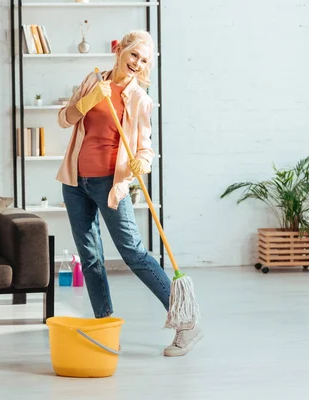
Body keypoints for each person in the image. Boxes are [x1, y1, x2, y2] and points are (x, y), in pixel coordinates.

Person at [56, 30, 202, 357]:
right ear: (120, 51)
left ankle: (187, 322)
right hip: (75, 183)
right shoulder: (93, 80)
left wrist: (142, 164)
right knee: (91, 257)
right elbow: (65, 119)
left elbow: (145, 148)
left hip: (111, 183)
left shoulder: (140, 99)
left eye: (145, 59)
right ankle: (106, 328)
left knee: (134, 253)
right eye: (134, 54)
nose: (137, 63)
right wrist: (91, 99)